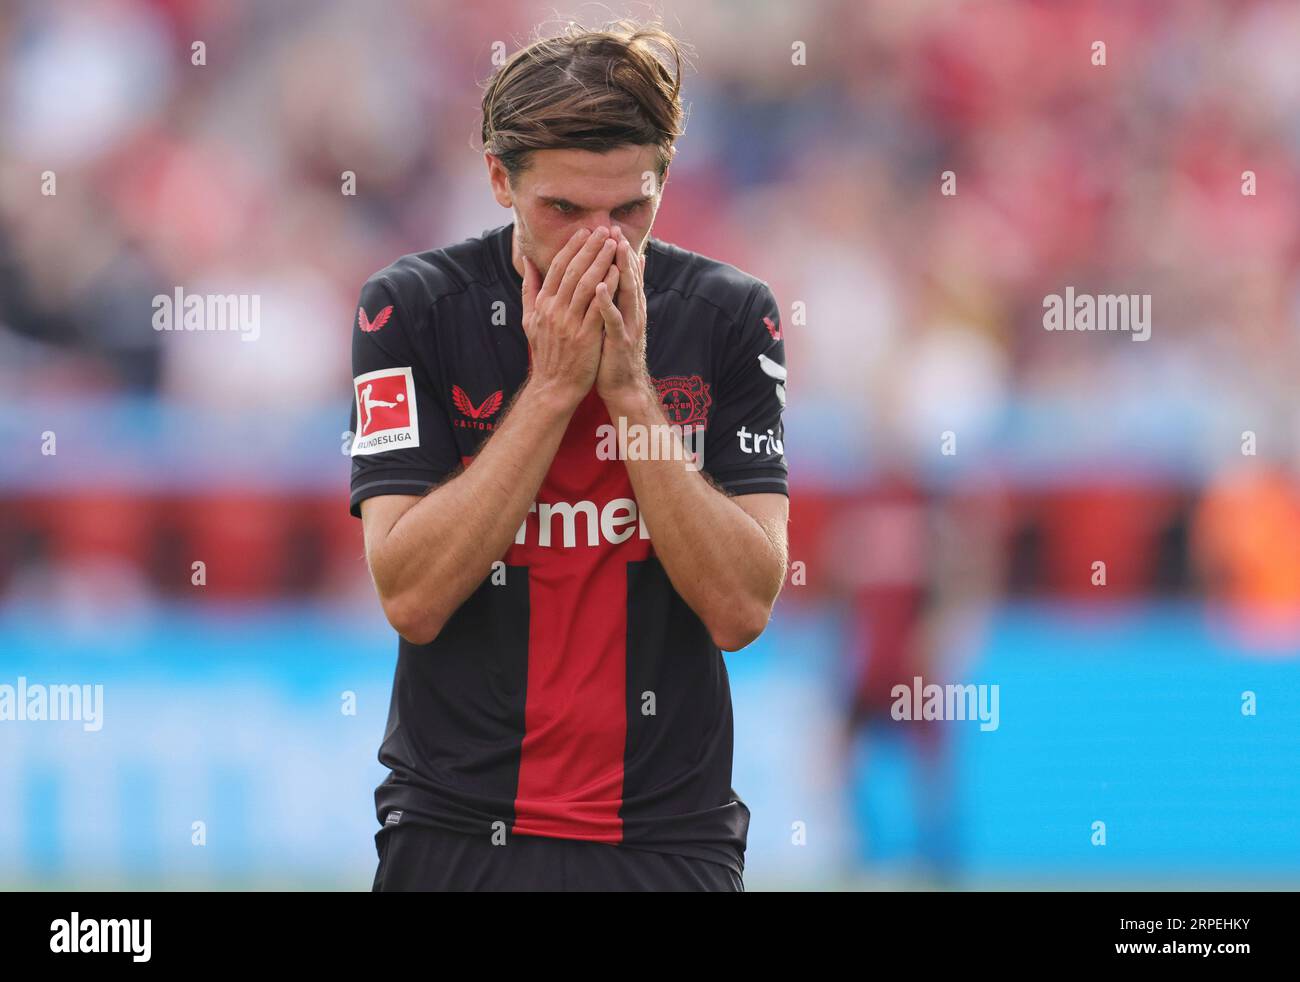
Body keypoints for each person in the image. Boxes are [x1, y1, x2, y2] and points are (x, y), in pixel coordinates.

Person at [350, 19, 789, 891]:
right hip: (455, 826)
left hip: (667, 834)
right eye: (565, 211)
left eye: (630, 209)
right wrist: (551, 391)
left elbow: (743, 608)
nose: (603, 244)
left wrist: (630, 392)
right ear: (498, 180)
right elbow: (411, 595)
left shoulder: (730, 316)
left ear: (665, 178)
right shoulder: (411, 309)